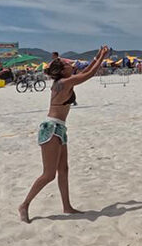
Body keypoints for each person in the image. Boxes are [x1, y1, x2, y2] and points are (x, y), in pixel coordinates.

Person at [19, 45, 110, 223]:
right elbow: (88, 74)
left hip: (60, 129)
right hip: (51, 128)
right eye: (68, 65)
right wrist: (101, 58)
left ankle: (67, 206)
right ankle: (24, 205)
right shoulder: (63, 83)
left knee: (64, 170)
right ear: (62, 70)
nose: (72, 66)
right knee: (49, 174)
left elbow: (86, 70)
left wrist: (98, 55)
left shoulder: (65, 81)